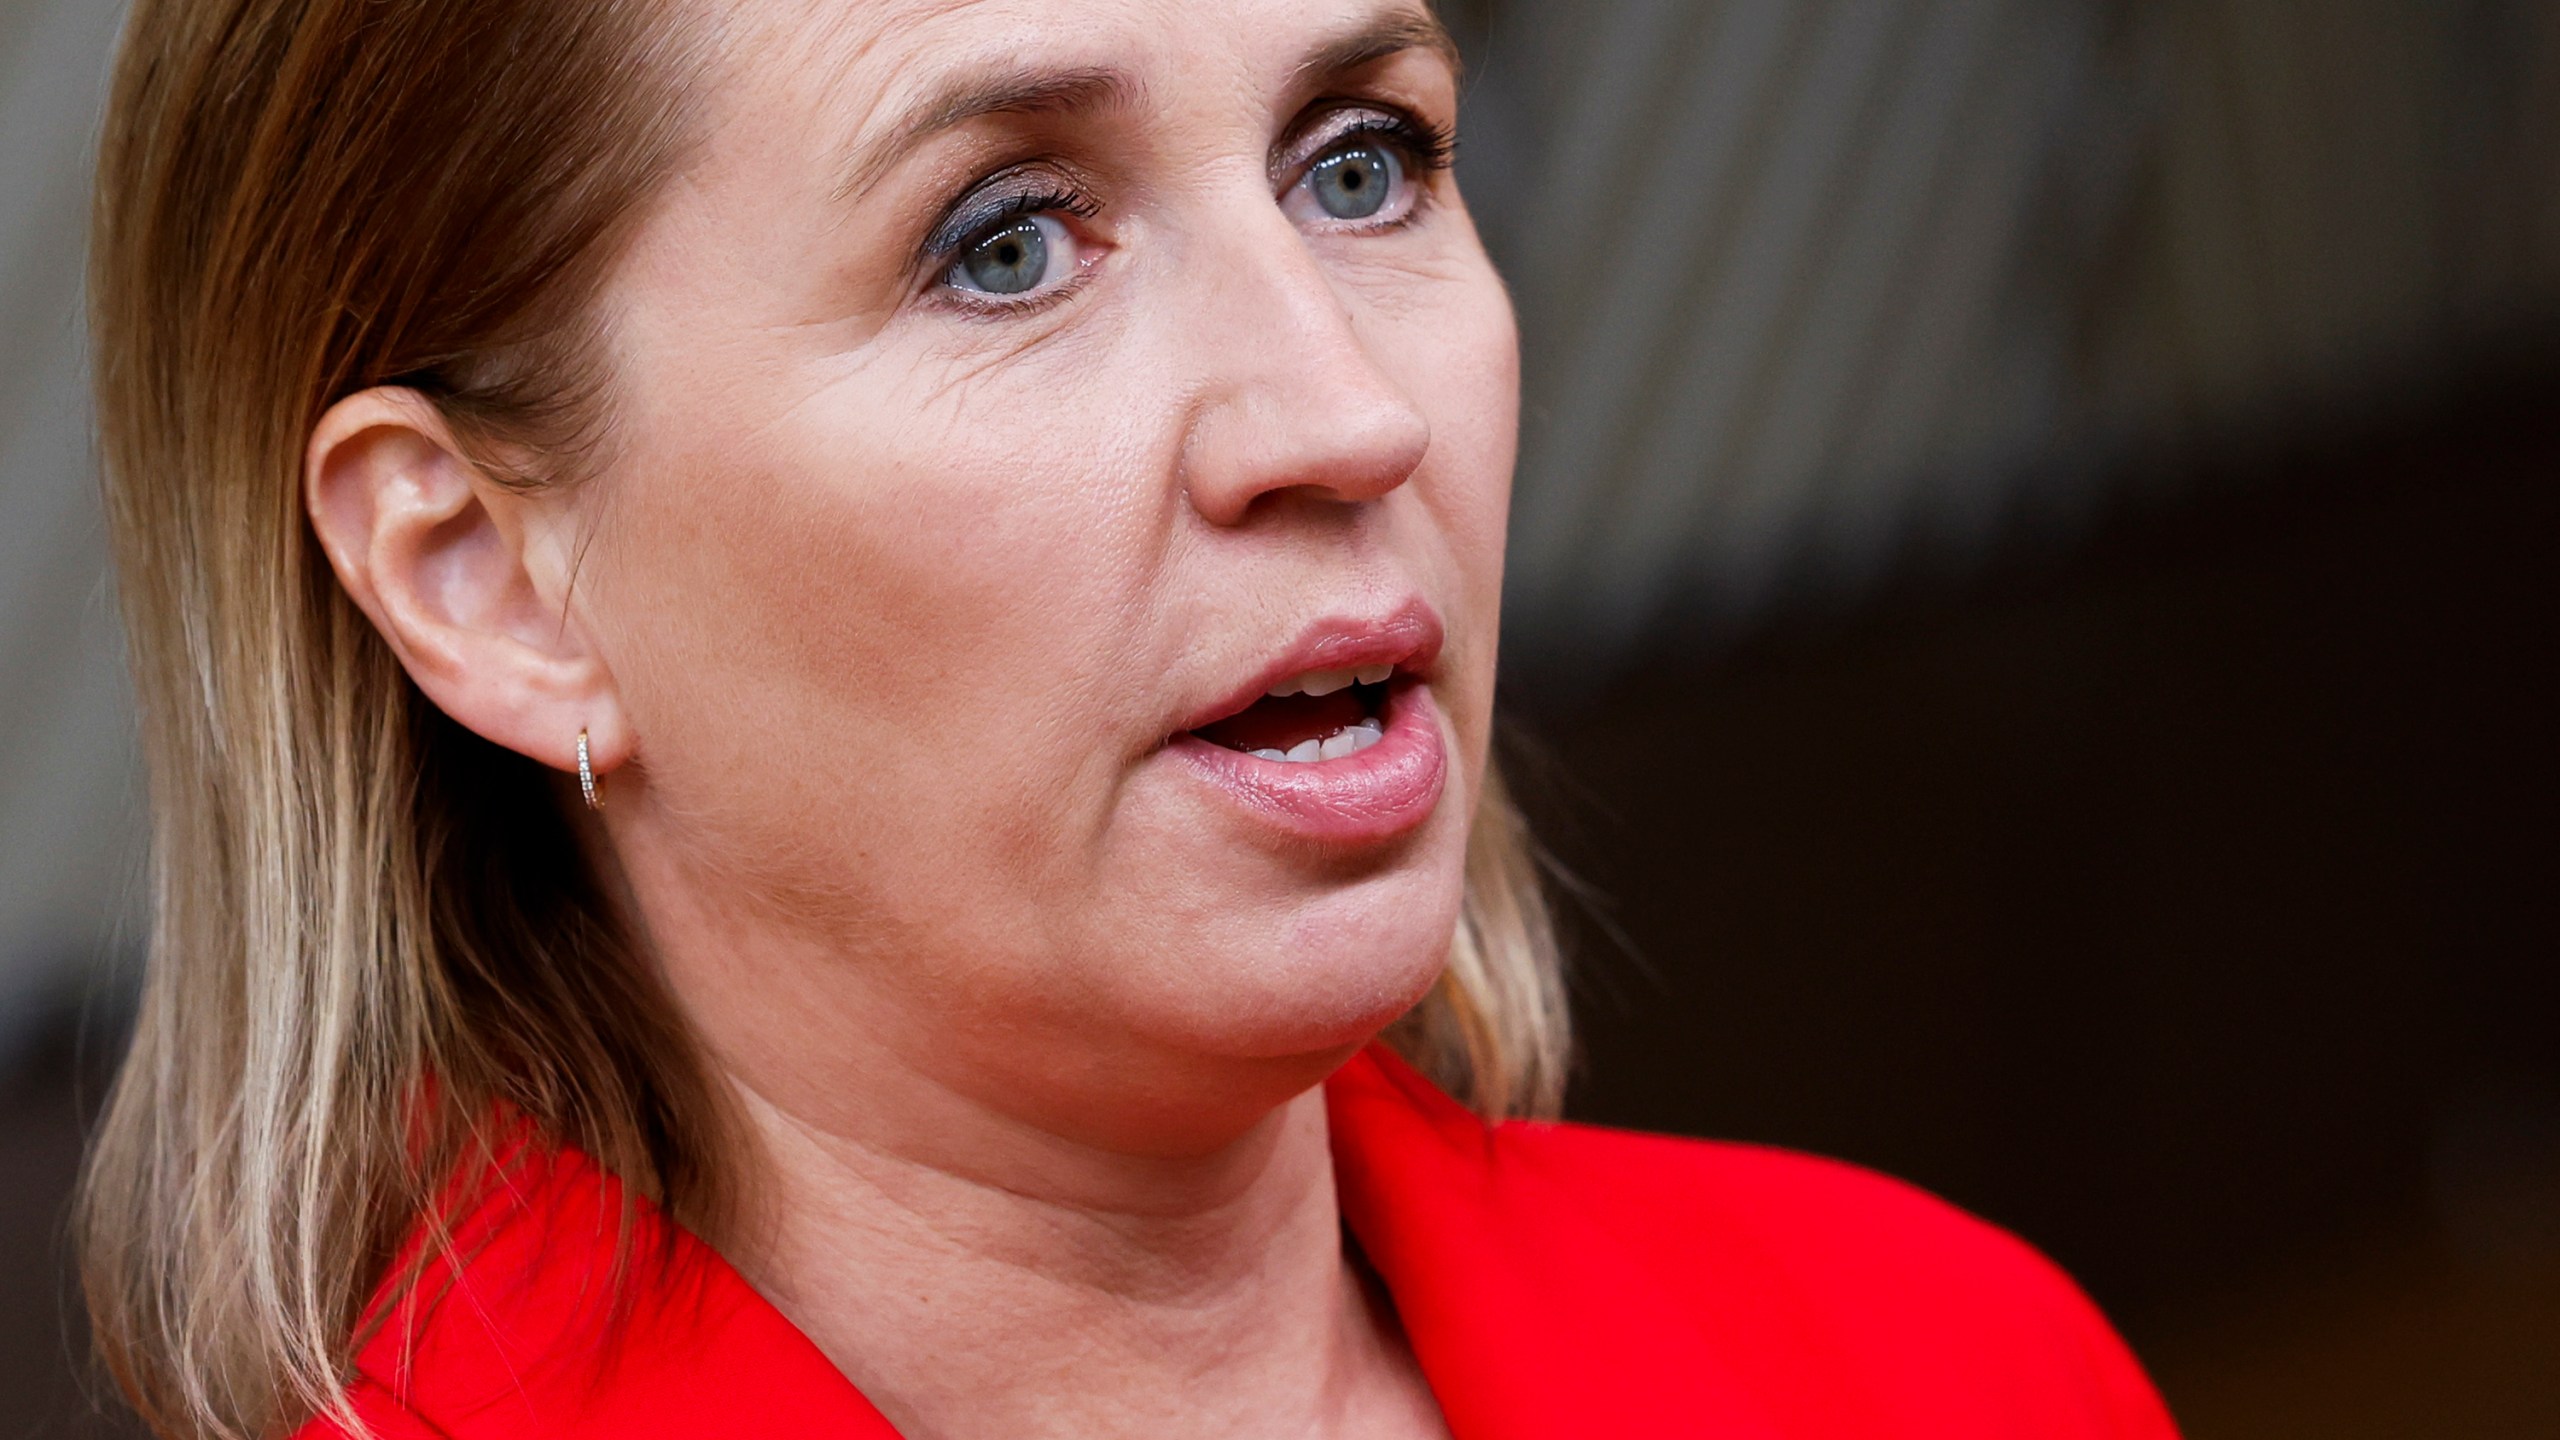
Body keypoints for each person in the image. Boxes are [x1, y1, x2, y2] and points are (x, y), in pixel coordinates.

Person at [76, 1, 2180, 1436]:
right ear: (486, 579)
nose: (1344, 414)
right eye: (1002, 246)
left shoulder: (1934, 1363)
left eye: (1363, 164)